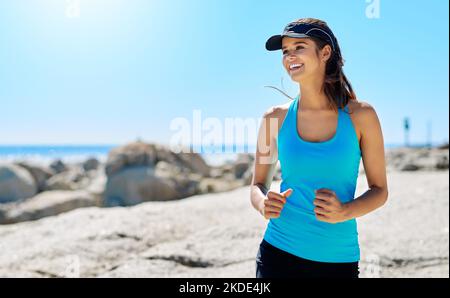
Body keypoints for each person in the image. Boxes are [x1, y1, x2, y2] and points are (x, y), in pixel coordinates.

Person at [250, 18, 389, 278]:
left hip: (337, 259)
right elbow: (258, 184)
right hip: (277, 254)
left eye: (299, 47)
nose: (290, 56)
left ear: (325, 52)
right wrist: (263, 204)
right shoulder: (273, 119)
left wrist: (345, 211)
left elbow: (380, 191)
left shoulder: (362, 116)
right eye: (285, 51)